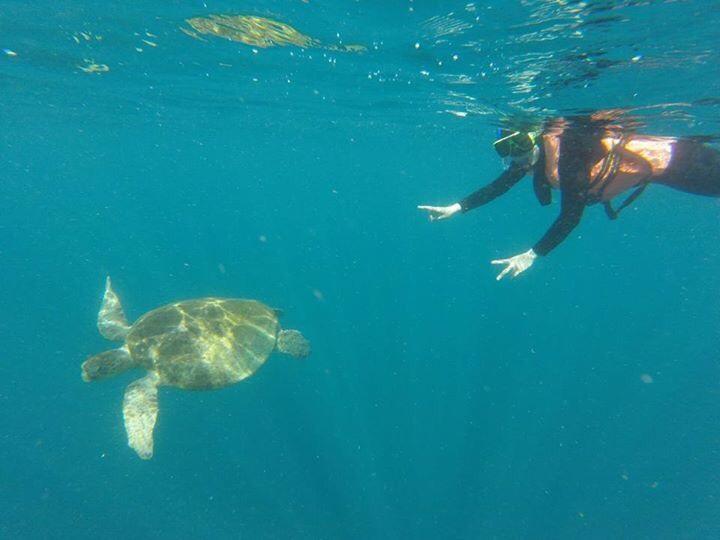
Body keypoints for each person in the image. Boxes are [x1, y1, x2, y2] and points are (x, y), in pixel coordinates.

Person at [418, 115, 720, 280]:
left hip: (683, 162)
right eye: (506, 150)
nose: (518, 156)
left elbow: (571, 216)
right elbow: (499, 186)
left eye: (521, 144)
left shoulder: (569, 155)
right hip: (668, 170)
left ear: (537, 136)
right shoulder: (532, 158)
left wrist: (532, 255)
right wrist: (456, 208)